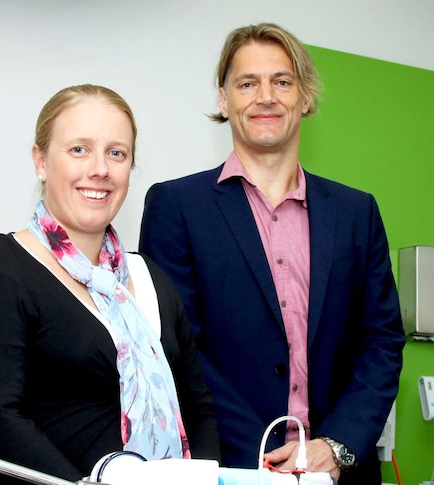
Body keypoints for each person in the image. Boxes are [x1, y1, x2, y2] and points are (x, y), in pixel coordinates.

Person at [139, 23, 405, 484]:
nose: (266, 96)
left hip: (340, 472)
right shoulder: (176, 207)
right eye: (247, 83)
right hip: (226, 467)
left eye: (282, 81)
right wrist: (264, 461)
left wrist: (336, 445)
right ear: (224, 100)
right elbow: (175, 349)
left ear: (305, 97)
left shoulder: (356, 211)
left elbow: (381, 340)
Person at [0, 84, 220, 484]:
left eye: (116, 153)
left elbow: (198, 408)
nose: (100, 169)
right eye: (79, 150)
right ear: (40, 160)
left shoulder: (149, 278)